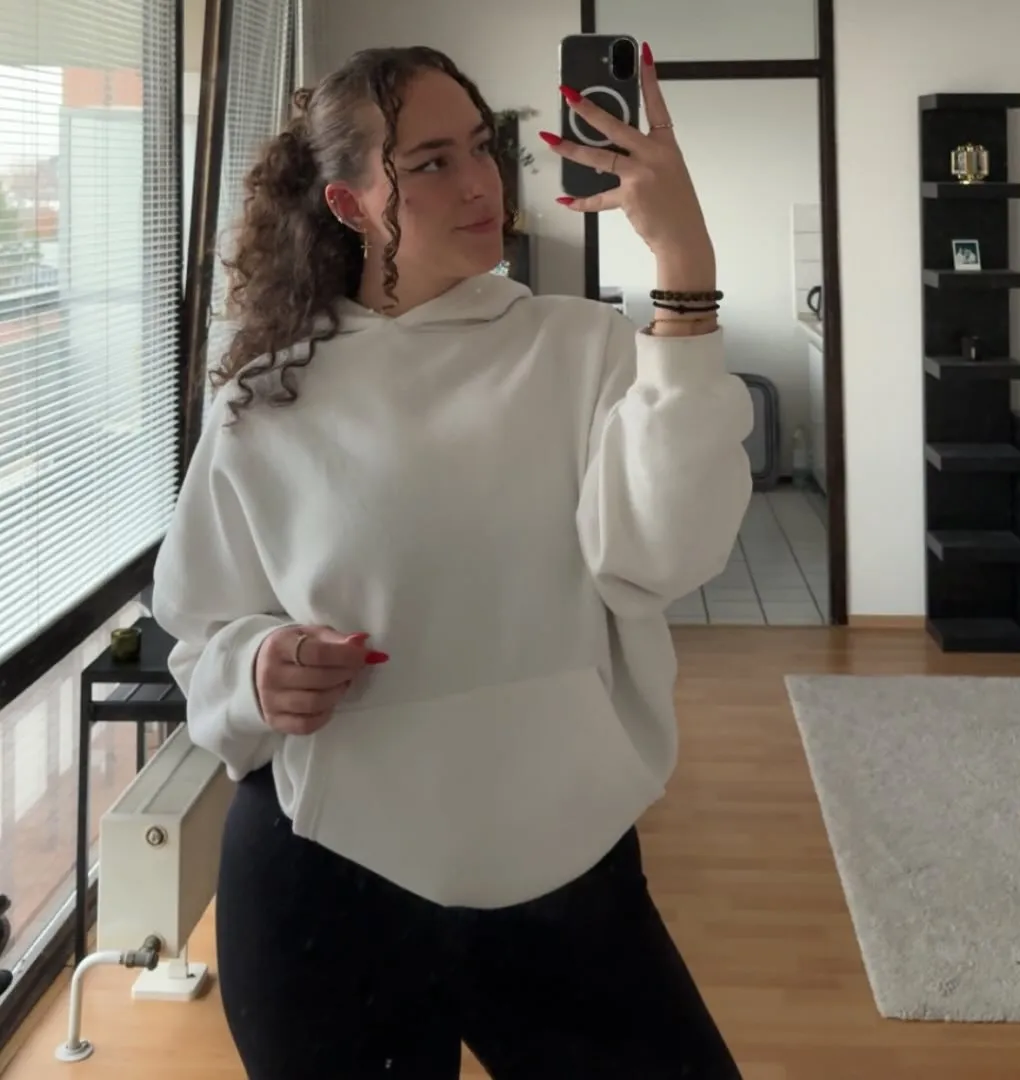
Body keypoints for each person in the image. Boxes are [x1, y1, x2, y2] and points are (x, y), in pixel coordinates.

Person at [153, 42, 752, 1080]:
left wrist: (684, 273)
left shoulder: (587, 350)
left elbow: (669, 556)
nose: (481, 183)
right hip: (323, 877)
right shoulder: (265, 400)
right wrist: (255, 668)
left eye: (482, 147)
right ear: (348, 204)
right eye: (431, 162)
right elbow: (201, 636)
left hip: (564, 861)